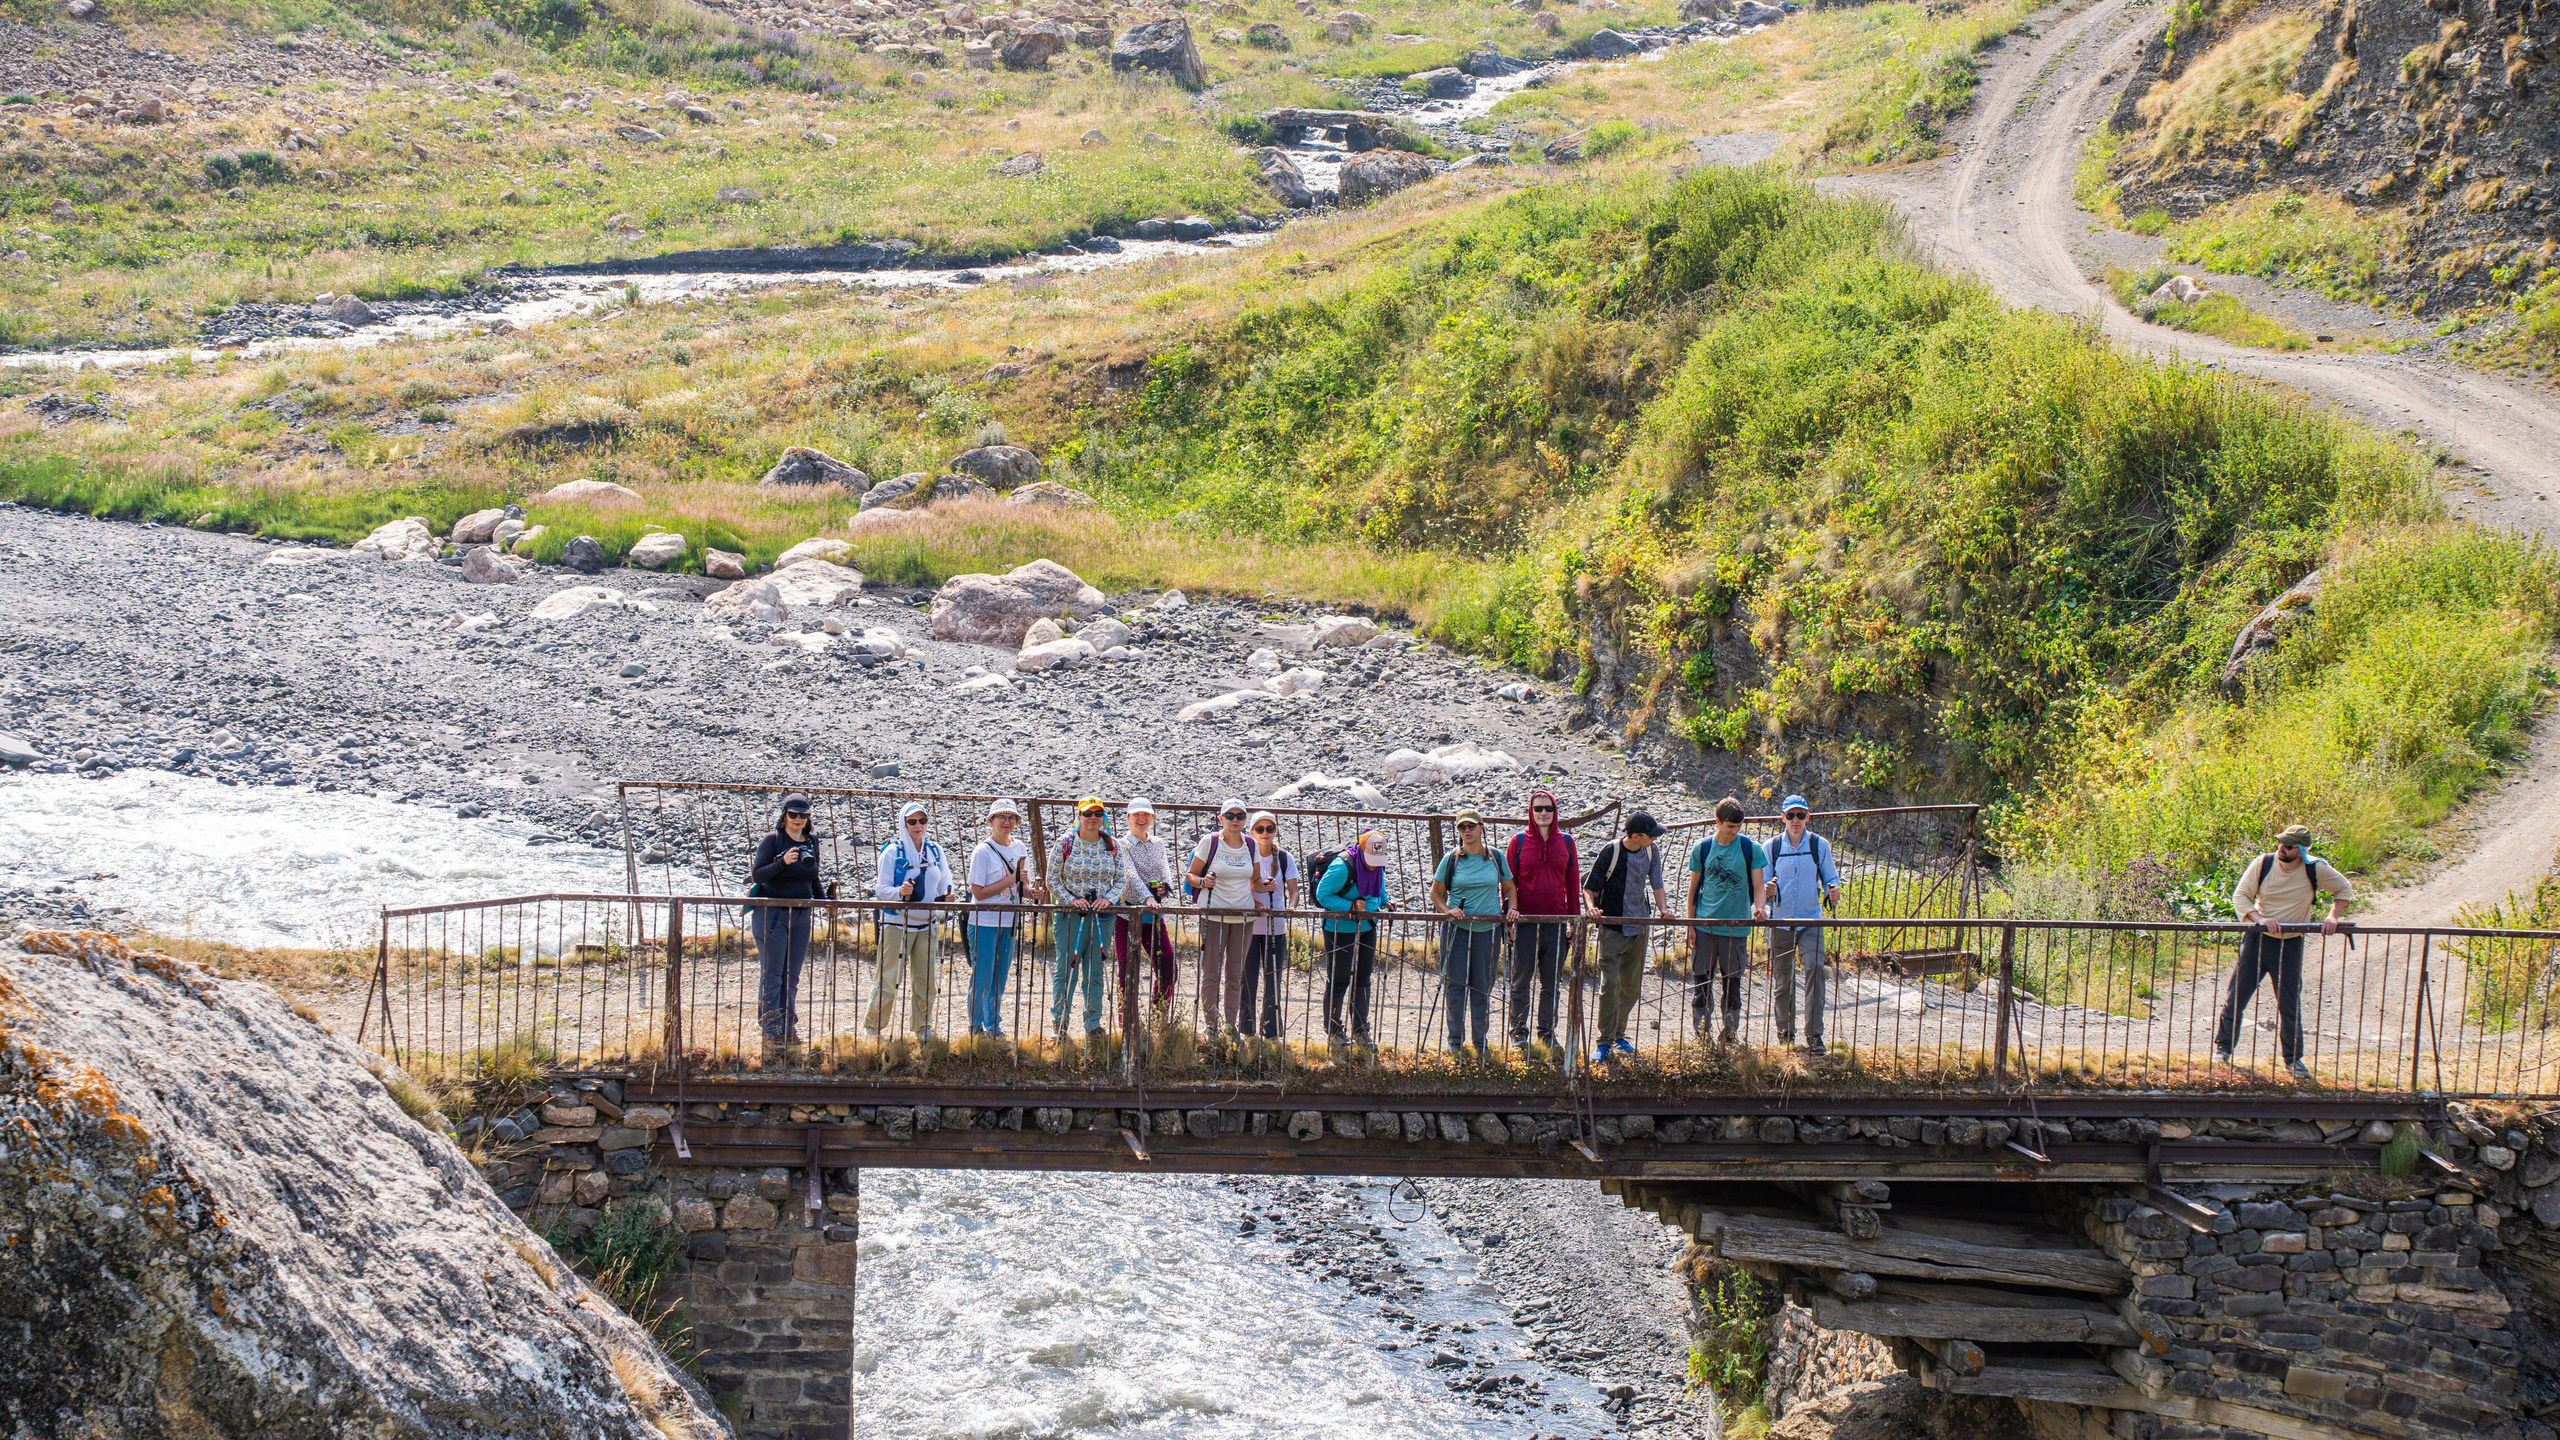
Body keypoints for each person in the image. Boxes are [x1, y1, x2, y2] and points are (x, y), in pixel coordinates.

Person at [2215, 823, 2351, 1080]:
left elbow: (2344, 888)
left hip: (2290, 944)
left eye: (2288, 846)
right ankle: (2223, 1049)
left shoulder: (2315, 869)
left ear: (2301, 850)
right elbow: (2240, 896)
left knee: (2289, 1003)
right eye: (2280, 842)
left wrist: (2333, 917)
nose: (2282, 848)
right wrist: (2260, 919)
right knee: (2236, 996)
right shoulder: (2263, 863)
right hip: (2257, 940)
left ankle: (2293, 1060)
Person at [1581, 812, 1669, 1062]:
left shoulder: (1651, 850)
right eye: (1651, 835)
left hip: (1639, 927)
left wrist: (1664, 909)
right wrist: (1591, 909)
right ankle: (1603, 1041)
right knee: (1610, 986)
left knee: (1631, 988)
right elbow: (1589, 888)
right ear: (1636, 836)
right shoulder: (1611, 851)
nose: (1655, 838)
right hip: (1612, 928)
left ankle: (1618, 1035)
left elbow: (1657, 884)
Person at [1432, 808, 1515, 1058]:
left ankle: (1480, 1042)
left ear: (1481, 827)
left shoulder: (1496, 857)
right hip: (1456, 931)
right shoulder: (1451, 859)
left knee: (1482, 987)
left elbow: (1510, 888)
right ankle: (1455, 1040)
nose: (1467, 831)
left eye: (1471, 826)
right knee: (1455, 985)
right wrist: (1448, 911)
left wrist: (1512, 910)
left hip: (1488, 932)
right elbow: (1435, 893)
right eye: (1462, 827)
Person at [1761, 794, 1840, 1053]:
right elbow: (1761, 886)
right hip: (1780, 922)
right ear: (1782, 817)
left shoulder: (1819, 845)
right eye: (1791, 815)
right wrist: (1767, 891)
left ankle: (1814, 1035)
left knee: (1815, 969)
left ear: (1808, 817)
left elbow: (1831, 878)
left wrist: (1833, 891)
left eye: (1801, 815)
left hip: (1810, 921)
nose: (1796, 820)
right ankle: (1785, 1033)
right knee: (1783, 979)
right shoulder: (1771, 847)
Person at [1687, 797, 1769, 1045]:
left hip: (1736, 928)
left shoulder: (1750, 848)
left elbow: (1759, 885)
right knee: (1701, 984)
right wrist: (1690, 925)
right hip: (1704, 926)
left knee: (1732, 985)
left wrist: (1760, 908)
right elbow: (1693, 889)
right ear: (1718, 822)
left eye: (1738, 827)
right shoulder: (1702, 848)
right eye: (1730, 826)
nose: (1735, 831)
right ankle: (1702, 1035)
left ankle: (1730, 1035)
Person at [1052, 796, 1134, 1041]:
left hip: (1103, 916)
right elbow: (1052, 880)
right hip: (1070, 916)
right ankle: (1059, 1022)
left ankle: (1093, 1023)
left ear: (1103, 817)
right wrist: (1071, 900)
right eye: (1087, 813)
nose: (1093, 818)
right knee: (1066, 969)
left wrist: (1108, 899)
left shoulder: (1112, 844)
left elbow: (1122, 880)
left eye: (1098, 813)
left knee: (1095, 970)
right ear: (1079, 817)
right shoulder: (1065, 843)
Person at [868, 800, 951, 1042]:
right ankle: (873, 1028)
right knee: (888, 976)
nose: (918, 825)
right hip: (897, 924)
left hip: (927, 923)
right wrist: (899, 892)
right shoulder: (892, 852)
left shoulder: (935, 850)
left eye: (922, 820)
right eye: (912, 821)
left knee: (926, 979)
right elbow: (881, 889)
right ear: (903, 824)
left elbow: (945, 879)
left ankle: (923, 1027)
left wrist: (947, 894)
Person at [1505, 787, 1579, 1049]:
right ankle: (1518, 1032)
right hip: (1525, 922)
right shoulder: (1518, 842)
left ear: (1555, 811)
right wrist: (1508, 922)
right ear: (1531, 811)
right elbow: (1508, 884)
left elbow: (1572, 884)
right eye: (1538, 808)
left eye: (1548, 808)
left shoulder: (1567, 842)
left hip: (1556, 923)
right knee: (1521, 979)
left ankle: (1546, 1033)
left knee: (1551, 982)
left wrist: (1574, 921)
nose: (1544, 812)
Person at [749, 794, 822, 1047]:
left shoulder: (812, 841)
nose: (798, 819)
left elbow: (814, 877)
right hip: (772, 914)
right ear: (784, 816)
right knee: (773, 974)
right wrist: (782, 862)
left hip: (801, 915)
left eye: (803, 815)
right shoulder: (772, 840)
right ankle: (771, 1027)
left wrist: (826, 903)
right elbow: (758, 875)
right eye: (793, 814)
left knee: (792, 974)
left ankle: (788, 1026)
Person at [1187, 798, 1258, 1039]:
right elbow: (1191, 874)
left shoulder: (1251, 844)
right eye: (1230, 816)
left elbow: (1255, 881)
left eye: (1240, 816)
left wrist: (1266, 887)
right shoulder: (1210, 842)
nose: (1235, 820)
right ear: (1221, 819)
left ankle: (1229, 1026)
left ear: (1245, 819)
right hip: (1214, 914)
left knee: (1235, 974)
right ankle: (1211, 1026)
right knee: (1211, 973)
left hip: (1244, 917)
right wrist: (1202, 881)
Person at [1316, 829, 1395, 1045]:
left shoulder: (1376, 865)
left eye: (1378, 861)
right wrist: (1350, 906)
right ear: (1361, 850)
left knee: (1363, 978)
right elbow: (1322, 895)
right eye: (1371, 860)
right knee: (1339, 980)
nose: (1374, 865)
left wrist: (1385, 901)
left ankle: (1360, 1030)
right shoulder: (1342, 867)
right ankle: (1334, 1031)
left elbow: (1379, 885)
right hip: (1339, 929)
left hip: (1367, 926)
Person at [965, 798, 1034, 1040]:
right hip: (984, 922)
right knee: (982, 976)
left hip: (1009, 922)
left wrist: (1032, 893)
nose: (1007, 822)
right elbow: (979, 893)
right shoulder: (982, 851)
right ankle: (975, 1028)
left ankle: (993, 1026)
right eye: (1002, 817)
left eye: (1011, 817)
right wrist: (1011, 879)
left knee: (1000, 977)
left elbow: (1023, 886)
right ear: (991, 821)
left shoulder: (1020, 848)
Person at [1115, 797, 1179, 1021]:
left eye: (1146, 815)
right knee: (1127, 968)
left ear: (1152, 818)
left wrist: (1164, 887)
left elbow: (1166, 870)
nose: (1141, 819)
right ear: (1128, 818)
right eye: (1137, 815)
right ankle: (1126, 1021)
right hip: (1127, 914)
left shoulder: (1158, 843)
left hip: (1153, 916)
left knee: (1167, 965)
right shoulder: (1121, 845)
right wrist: (1148, 897)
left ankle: (1158, 1016)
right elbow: (1129, 875)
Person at [1241, 809, 1300, 1041]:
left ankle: (1271, 1033)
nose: (1265, 833)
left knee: (1273, 980)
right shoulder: (1244, 856)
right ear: (1252, 831)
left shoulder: (1285, 858)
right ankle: (1247, 1031)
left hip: (1276, 926)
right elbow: (1238, 888)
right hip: (1249, 926)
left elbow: (1293, 891)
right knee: (1247, 981)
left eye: (1269, 829)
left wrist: (1290, 908)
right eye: (1260, 829)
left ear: (1275, 831)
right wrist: (1256, 903)